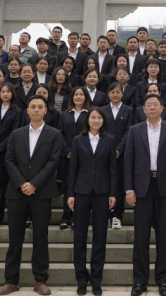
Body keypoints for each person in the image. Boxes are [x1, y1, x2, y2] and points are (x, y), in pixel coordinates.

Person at [0, 95, 63, 296]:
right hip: (17, 192)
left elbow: (53, 162)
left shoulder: (54, 134)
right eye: (33, 106)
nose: (36, 110)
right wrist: (22, 183)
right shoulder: (16, 134)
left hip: (41, 192)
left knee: (40, 237)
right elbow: (9, 160)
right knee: (14, 238)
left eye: (40, 107)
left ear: (45, 111)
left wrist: (34, 184)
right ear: (27, 110)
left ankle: (40, 280)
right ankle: (11, 280)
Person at [125, 94, 166, 296]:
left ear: (162, 108)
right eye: (148, 105)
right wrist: (129, 189)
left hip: (165, 187)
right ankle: (139, 282)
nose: (152, 108)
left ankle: (163, 280)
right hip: (142, 188)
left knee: (163, 237)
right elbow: (128, 161)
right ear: (143, 109)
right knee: (141, 237)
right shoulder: (135, 130)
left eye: (155, 105)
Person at [67, 107, 117, 296]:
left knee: (100, 237)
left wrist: (113, 193)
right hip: (81, 192)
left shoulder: (109, 140)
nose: (96, 121)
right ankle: (81, 279)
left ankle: (96, 279)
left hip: (102, 192)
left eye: (99, 118)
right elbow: (73, 168)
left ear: (103, 121)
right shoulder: (78, 140)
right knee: (79, 237)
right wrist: (70, 194)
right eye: (93, 117)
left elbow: (113, 169)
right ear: (87, 120)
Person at [0, 82, 23, 229]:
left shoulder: (17, 112)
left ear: (12, 94)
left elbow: (14, 133)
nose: (5, 94)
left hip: (5, 153)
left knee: (2, 185)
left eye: (8, 91)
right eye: (3, 92)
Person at [100, 82, 135, 230]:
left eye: (118, 92)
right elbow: (99, 130)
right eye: (112, 92)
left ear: (122, 94)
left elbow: (129, 131)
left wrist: (119, 150)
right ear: (108, 94)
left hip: (122, 154)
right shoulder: (102, 110)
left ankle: (117, 215)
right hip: (104, 152)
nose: (115, 94)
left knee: (119, 184)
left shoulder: (129, 110)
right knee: (105, 183)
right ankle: (105, 214)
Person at [56, 86, 91, 229]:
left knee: (81, 187)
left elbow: (91, 133)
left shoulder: (90, 114)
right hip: (67, 157)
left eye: (81, 94)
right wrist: (67, 151)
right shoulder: (64, 114)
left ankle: (78, 218)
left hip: (85, 157)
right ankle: (66, 217)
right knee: (67, 186)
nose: (78, 97)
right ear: (72, 97)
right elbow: (60, 133)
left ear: (85, 97)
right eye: (76, 94)